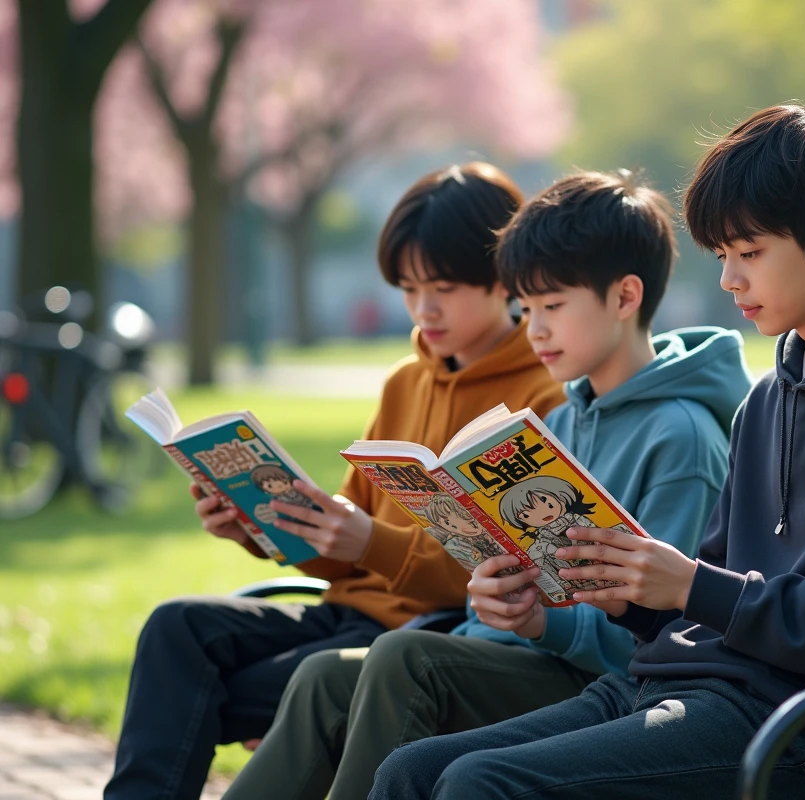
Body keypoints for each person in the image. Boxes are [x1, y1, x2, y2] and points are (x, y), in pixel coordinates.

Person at [370, 104, 805, 800]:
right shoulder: (773, 396)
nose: (729, 280)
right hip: (683, 685)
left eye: (750, 253)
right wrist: (625, 593)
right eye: (721, 257)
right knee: (411, 772)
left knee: (483, 784)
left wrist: (690, 584)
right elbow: (710, 593)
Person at [221, 169, 753, 800]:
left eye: (553, 307)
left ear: (625, 297)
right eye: (526, 309)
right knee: (322, 679)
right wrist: (495, 596)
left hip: (603, 682)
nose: (535, 330)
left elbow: (658, 636)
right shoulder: (564, 419)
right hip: (516, 652)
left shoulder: (681, 438)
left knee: (403, 658)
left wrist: (537, 624)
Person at [105, 162, 564, 800]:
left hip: (424, 639)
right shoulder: (406, 380)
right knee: (176, 628)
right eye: (408, 288)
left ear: (502, 280)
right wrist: (256, 526)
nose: (422, 309)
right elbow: (345, 557)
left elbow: (507, 570)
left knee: (215, 694)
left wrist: (369, 542)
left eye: (444, 287)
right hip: (346, 616)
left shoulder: (541, 397)